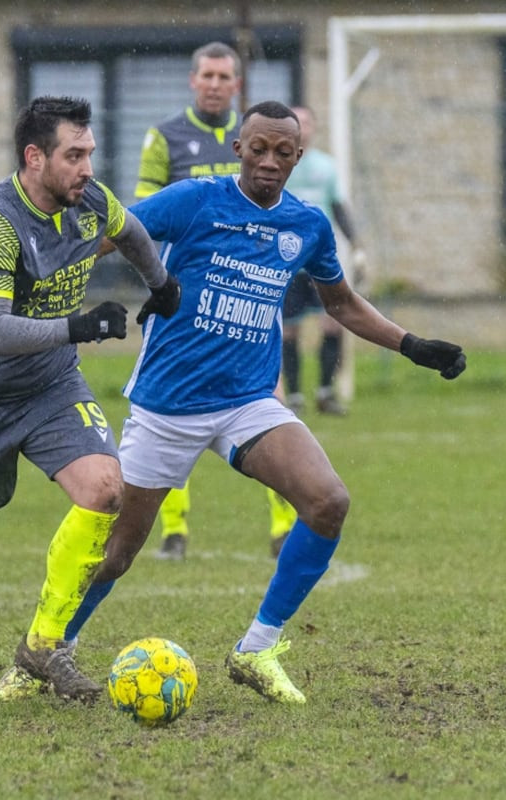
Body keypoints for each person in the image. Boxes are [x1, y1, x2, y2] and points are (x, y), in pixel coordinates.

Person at [49, 101, 466, 705]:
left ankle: (256, 648)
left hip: (248, 399)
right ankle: (46, 649)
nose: (269, 162)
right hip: (168, 403)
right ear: (239, 149)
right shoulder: (195, 200)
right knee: (114, 555)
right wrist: (42, 289)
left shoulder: (308, 224)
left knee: (327, 502)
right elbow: (112, 234)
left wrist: (412, 345)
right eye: (259, 149)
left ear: (299, 158)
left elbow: (341, 304)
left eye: (283, 153)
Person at [0, 96, 180, 709]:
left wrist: (163, 286)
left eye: (90, 153)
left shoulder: (89, 201)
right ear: (34, 157)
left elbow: (133, 232)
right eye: (74, 155)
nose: (87, 167)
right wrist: (80, 327)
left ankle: (45, 645)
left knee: (106, 489)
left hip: (49, 387)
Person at [135, 40, 258, 561]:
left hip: (246, 292)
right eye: (205, 75)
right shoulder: (164, 137)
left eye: (222, 76)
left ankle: (280, 528)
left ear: (237, 84)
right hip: (180, 298)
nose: (213, 83)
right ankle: (175, 531)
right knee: (170, 407)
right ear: (193, 81)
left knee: (261, 401)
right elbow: (140, 216)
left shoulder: (253, 138)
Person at [282, 105, 368, 418]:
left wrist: (357, 246)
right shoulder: (280, 165)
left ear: (314, 128)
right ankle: (292, 395)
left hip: (321, 262)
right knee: (287, 331)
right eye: (297, 122)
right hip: (287, 263)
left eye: (307, 122)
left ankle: (325, 392)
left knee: (334, 323)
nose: (302, 127)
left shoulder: (326, 166)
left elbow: (338, 206)